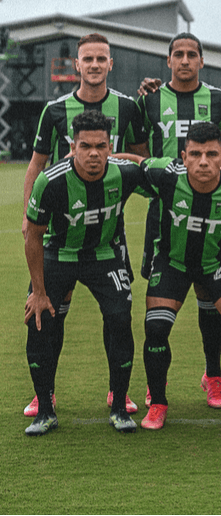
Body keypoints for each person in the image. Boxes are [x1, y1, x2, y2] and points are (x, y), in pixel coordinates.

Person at [22, 33, 148, 418]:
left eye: (101, 59)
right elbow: (37, 163)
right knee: (49, 311)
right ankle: (46, 395)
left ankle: (118, 391)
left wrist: (108, 162)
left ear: (111, 64)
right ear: (77, 65)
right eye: (87, 59)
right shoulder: (55, 110)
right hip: (60, 227)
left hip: (109, 226)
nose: (94, 65)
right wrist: (28, 220)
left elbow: (142, 162)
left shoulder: (128, 108)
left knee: (117, 313)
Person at [121, 121, 221, 431]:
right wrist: (94, 157)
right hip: (173, 262)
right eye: (196, 154)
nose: (203, 161)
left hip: (220, 262)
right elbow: (136, 162)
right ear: (183, 156)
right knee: (157, 328)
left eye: (211, 154)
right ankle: (159, 403)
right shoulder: (165, 174)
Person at [137, 32, 221, 410]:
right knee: (161, 303)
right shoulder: (150, 101)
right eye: (178, 54)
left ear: (201, 61)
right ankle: (155, 383)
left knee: (208, 298)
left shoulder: (219, 99)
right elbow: (140, 151)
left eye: (191, 54)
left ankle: (213, 375)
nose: (184, 60)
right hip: (166, 216)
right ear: (168, 61)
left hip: (213, 213)